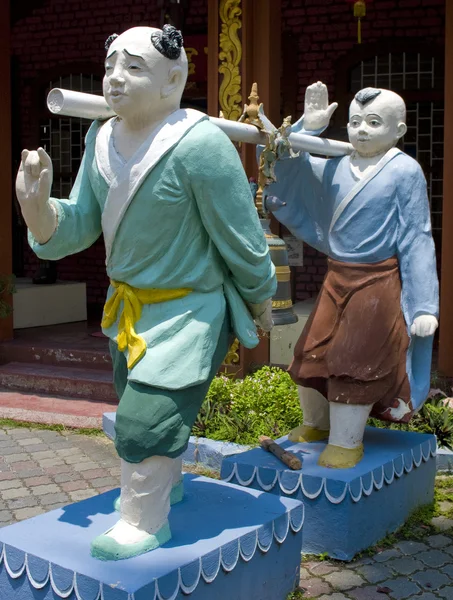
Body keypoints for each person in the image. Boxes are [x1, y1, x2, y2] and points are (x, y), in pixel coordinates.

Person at [15, 25, 276, 560]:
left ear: (173, 78)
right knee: (134, 395)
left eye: (133, 68)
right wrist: (38, 209)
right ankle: (167, 485)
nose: (115, 79)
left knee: (147, 417)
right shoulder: (100, 138)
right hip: (128, 310)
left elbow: (243, 239)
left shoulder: (201, 145)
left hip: (189, 309)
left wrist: (260, 297)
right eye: (111, 66)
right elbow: (82, 222)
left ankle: (144, 521)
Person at [264, 82, 438, 469]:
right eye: (355, 121)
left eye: (374, 123)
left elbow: (417, 236)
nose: (360, 130)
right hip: (336, 276)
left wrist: (425, 304)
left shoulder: (404, 171)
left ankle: (347, 442)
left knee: (353, 360)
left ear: (399, 131)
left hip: (376, 282)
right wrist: (308, 130)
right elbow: (287, 164)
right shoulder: (336, 162)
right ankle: (316, 423)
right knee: (310, 352)